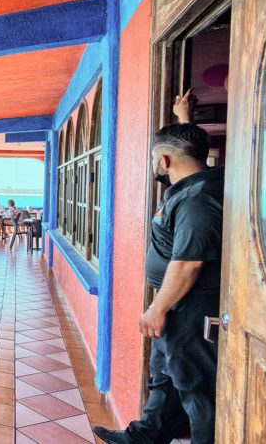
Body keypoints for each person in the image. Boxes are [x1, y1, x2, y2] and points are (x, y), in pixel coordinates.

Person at [94, 90, 224, 444]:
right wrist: (183, 120)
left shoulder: (197, 200)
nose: (154, 163)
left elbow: (188, 265)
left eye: (155, 157)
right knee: (164, 377)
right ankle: (145, 437)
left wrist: (157, 308)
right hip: (176, 303)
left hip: (188, 306)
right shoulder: (194, 183)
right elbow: (189, 148)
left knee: (197, 392)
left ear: (164, 160)